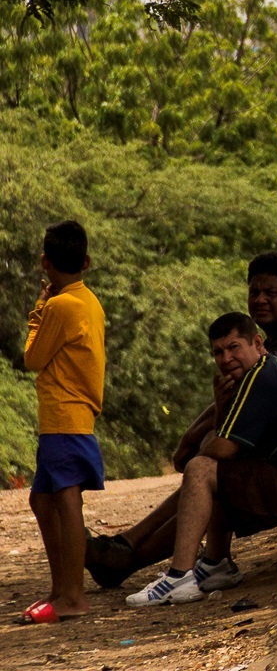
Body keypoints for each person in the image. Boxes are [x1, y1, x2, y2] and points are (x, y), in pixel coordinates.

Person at [87, 253, 277, 589]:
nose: (260, 300)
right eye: (254, 292)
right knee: (207, 473)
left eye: (271, 293)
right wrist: (198, 439)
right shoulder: (276, 339)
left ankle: (135, 561)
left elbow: (228, 417)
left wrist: (189, 444)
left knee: (206, 472)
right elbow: (230, 402)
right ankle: (129, 547)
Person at [126, 313, 277, 607]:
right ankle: (215, 564)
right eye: (218, 352)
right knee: (220, 474)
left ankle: (179, 577)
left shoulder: (263, 375)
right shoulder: (262, 373)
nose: (226, 358)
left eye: (234, 348)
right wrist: (219, 414)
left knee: (201, 471)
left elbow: (221, 447)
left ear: (257, 343)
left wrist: (205, 445)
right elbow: (228, 448)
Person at [19, 221, 105, 625]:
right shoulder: (89, 300)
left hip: (64, 414)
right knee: (42, 500)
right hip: (71, 414)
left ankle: (73, 596)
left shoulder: (59, 306)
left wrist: (38, 307)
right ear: (86, 262)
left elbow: (33, 358)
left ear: (45, 262)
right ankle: (61, 590)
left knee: (67, 500)